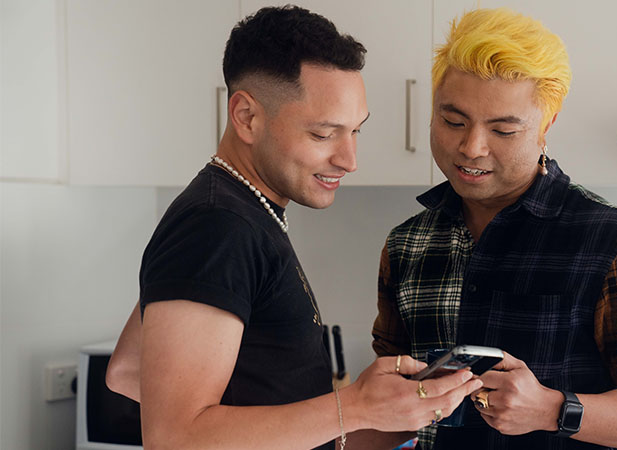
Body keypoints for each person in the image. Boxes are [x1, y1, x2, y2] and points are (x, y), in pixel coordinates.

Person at [104, 6, 482, 450]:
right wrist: (355, 405)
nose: (349, 160)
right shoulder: (216, 226)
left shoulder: (243, 212)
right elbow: (173, 439)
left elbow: (129, 370)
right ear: (246, 116)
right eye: (324, 134)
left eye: (355, 131)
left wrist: (377, 416)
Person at [371, 8, 617, 450]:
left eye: (504, 129)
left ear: (546, 125)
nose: (471, 147)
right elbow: (389, 409)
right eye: (453, 121)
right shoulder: (407, 244)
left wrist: (553, 409)